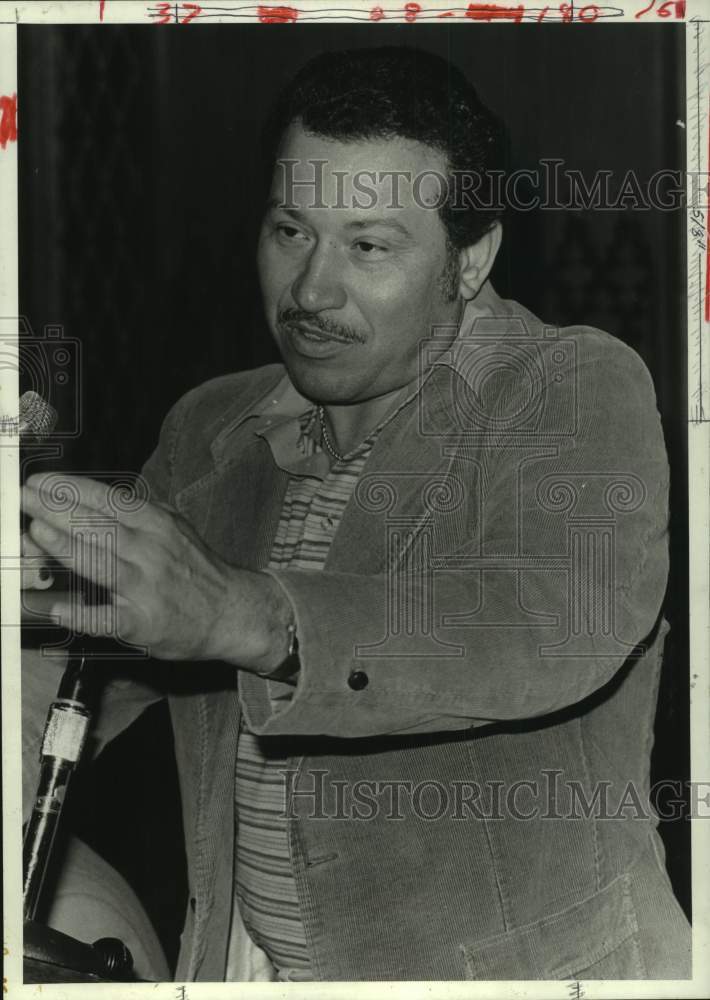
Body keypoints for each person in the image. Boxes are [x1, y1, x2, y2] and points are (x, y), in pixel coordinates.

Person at [21, 46, 691, 981]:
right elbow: (102, 655)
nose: (310, 291)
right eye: (291, 231)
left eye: (368, 245)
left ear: (472, 257)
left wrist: (245, 613)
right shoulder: (216, 423)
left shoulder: (571, 387)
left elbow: (546, 621)